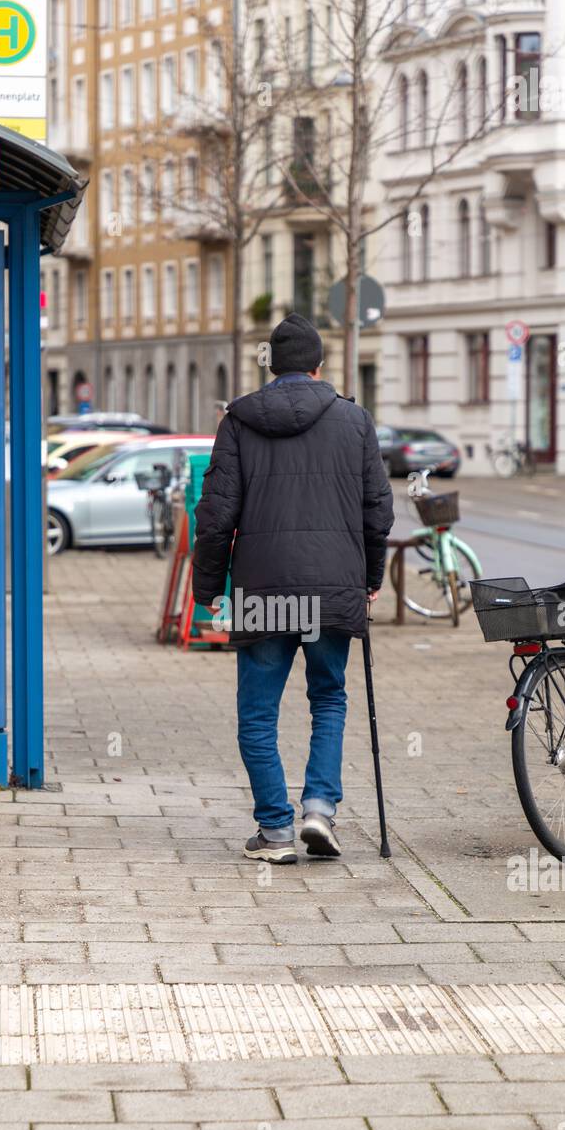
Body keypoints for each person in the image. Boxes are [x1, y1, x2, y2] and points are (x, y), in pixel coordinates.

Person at [193, 312, 394, 863]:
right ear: (318, 366)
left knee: (258, 713)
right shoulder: (354, 421)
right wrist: (371, 579)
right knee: (328, 697)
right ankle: (319, 809)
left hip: (264, 590)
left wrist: (208, 589)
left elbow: (214, 513)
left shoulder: (238, 420)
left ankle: (276, 830)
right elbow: (378, 510)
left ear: (271, 368)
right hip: (332, 588)